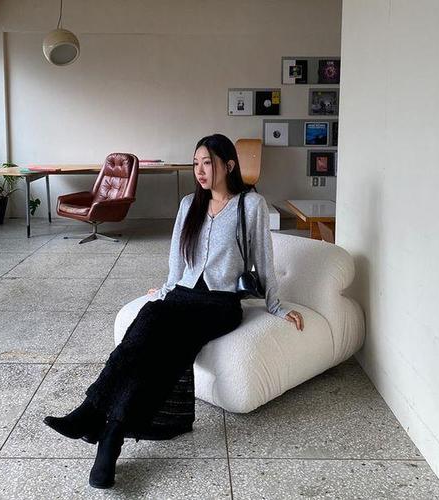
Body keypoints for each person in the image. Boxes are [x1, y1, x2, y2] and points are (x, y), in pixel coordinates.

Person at [43, 133, 304, 489]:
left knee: (158, 328)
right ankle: (110, 436)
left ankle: (92, 414)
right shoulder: (189, 204)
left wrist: (276, 306)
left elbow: (264, 259)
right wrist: (166, 289)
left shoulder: (250, 205)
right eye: (196, 163)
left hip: (220, 303)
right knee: (153, 327)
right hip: (183, 295)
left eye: (208, 163)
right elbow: (177, 259)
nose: (200, 170)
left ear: (229, 165)